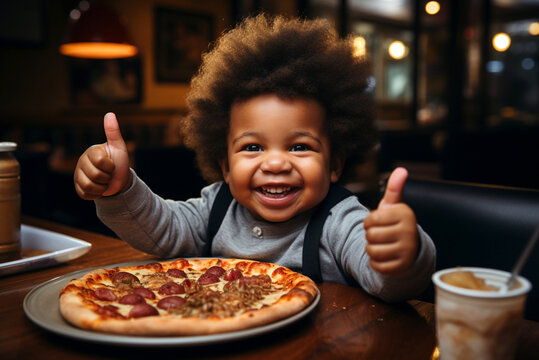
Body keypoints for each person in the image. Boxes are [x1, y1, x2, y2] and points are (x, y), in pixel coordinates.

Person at [74, 15, 435, 302]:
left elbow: (388, 282)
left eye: (299, 147)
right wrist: (120, 189)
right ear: (225, 167)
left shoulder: (340, 222)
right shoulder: (216, 207)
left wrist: (402, 255)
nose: (275, 163)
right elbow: (162, 230)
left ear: (335, 163)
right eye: (252, 147)